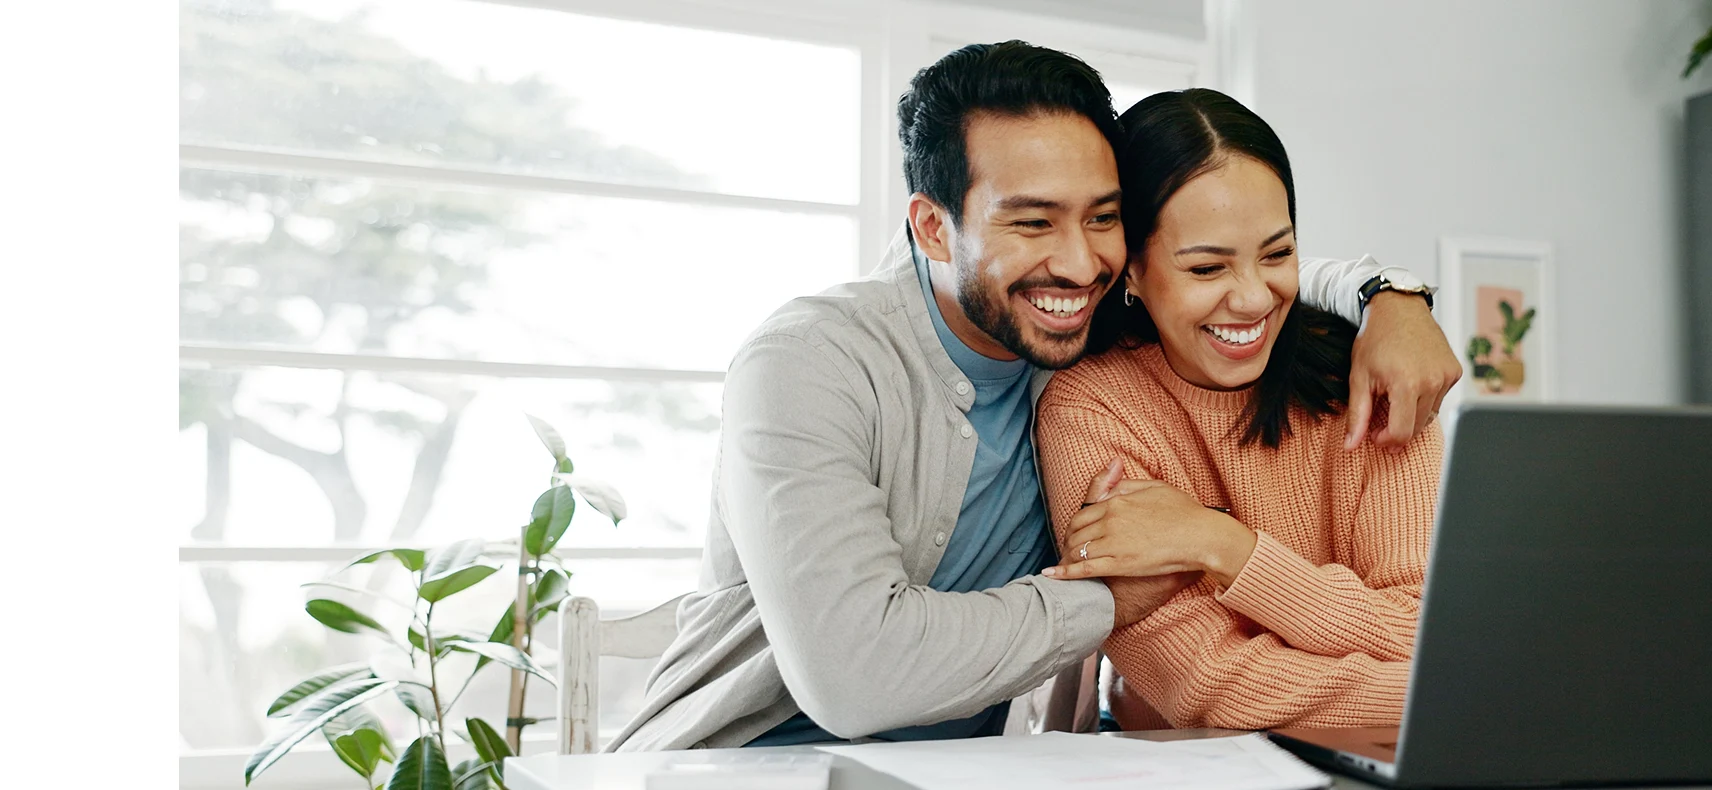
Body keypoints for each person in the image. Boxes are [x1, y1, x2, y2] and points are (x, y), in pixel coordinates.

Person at [605, 42, 1459, 753]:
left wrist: (1393, 296)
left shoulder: (1080, 328)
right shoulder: (812, 362)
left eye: (1101, 218)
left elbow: (1225, 263)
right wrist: (1104, 606)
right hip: (737, 765)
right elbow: (852, 679)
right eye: (1031, 221)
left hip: (964, 771)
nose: (1079, 262)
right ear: (933, 225)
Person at [1035, 88, 1444, 731]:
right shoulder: (1090, 410)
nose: (1254, 298)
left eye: (1278, 254)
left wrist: (1222, 544)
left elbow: (1431, 630)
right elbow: (1207, 683)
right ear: (1131, 271)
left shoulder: (1371, 381)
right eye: (1206, 268)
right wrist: (1452, 704)